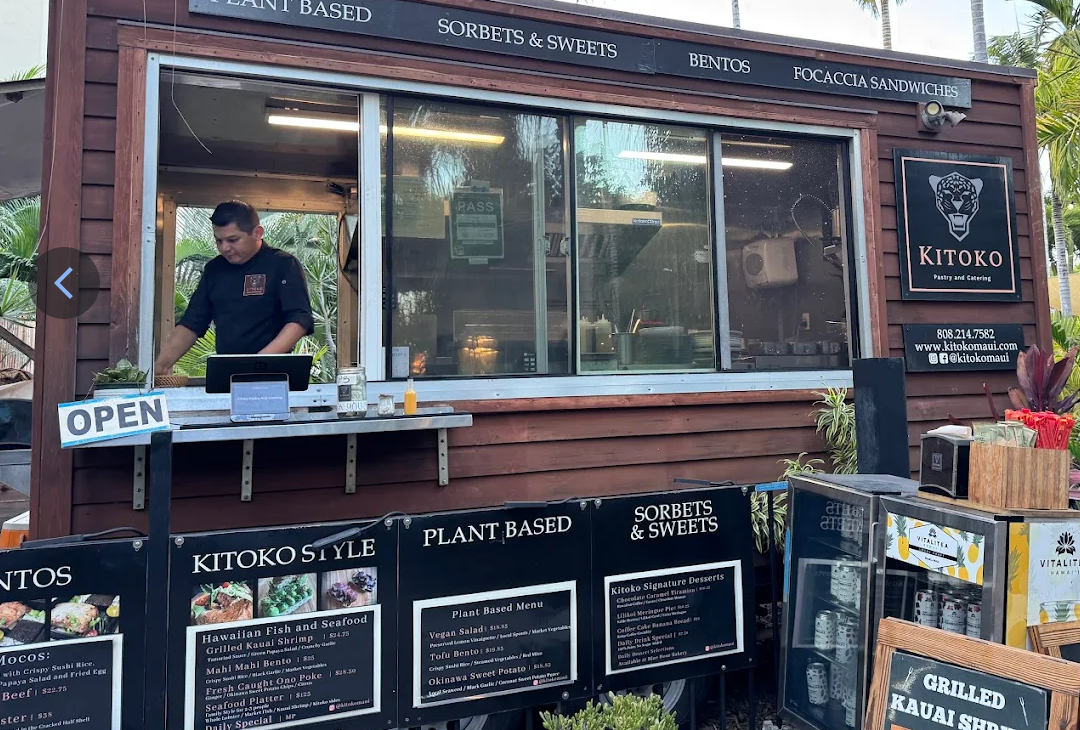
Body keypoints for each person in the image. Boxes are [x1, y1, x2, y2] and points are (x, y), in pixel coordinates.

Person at [155, 200, 315, 374]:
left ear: (257, 233)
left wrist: (258, 362)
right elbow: (192, 323)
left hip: (274, 373)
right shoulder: (214, 269)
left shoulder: (282, 264)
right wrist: (160, 366)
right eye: (219, 241)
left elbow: (299, 320)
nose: (225, 248)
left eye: (233, 240)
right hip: (229, 373)